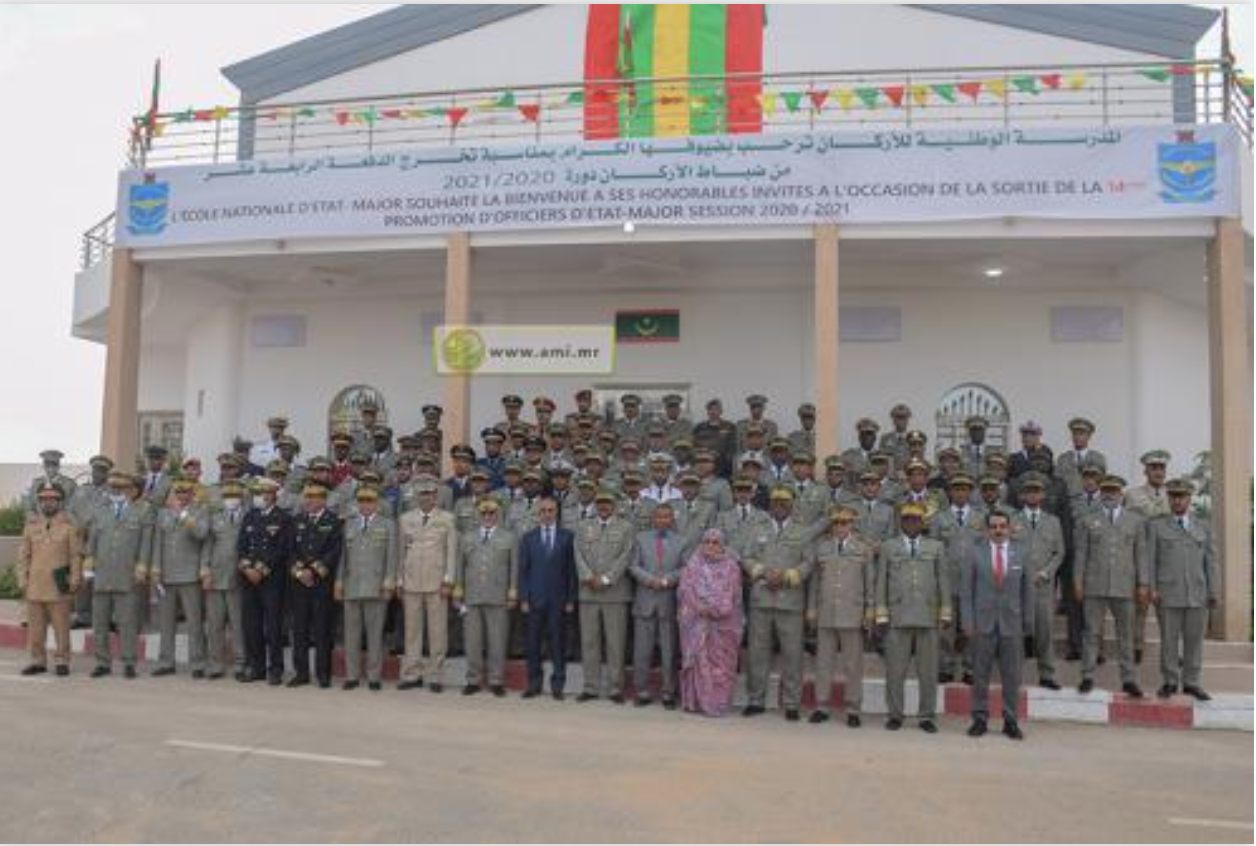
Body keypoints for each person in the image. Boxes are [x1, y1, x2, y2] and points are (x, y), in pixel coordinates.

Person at [1139, 478, 1218, 701]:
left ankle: (1192, 682)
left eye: (1181, 496)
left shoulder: (1203, 526)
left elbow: (1211, 562)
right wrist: (1151, 588)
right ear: (1169, 498)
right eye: (1173, 496)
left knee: (1194, 641)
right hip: (1167, 593)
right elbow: (1149, 559)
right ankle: (1170, 681)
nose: (1177, 500)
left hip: (1197, 593)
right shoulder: (1156, 526)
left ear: (1189, 499)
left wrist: (1213, 591)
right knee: (1169, 640)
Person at [875, 503, 949, 733]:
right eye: (907, 519)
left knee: (928, 671)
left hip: (927, 616)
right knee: (895, 671)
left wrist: (945, 611)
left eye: (916, 519)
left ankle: (927, 715)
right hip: (897, 616)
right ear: (901, 521)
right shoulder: (889, 547)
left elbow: (942, 581)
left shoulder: (936, 546)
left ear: (923, 522)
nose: (911, 523)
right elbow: (881, 582)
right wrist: (881, 613)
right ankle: (895, 714)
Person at [742, 486, 814, 721]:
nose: (780, 507)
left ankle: (792, 703)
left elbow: (809, 562)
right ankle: (756, 700)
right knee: (757, 653)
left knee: (792, 655)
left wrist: (787, 576)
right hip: (761, 599)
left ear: (792, 505)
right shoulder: (756, 529)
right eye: (776, 503)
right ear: (770, 505)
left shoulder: (803, 532)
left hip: (790, 601)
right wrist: (762, 572)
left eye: (784, 503)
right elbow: (746, 557)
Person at [961, 510, 1033, 741]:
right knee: (980, 675)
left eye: (1003, 526)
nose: (999, 530)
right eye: (994, 526)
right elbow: (966, 591)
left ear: (1010, 528)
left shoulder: (1021, 552)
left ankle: (1010, 720)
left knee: (1012, 676)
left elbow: (1028, 592)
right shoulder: (975, 553)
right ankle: (979, 718)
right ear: (986, 530)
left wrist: (1027, 622)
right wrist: (968, 621)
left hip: (1012, 624)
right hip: (982, 623)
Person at [1074, 475, 1146, 698]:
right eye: (1105, 490)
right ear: (1100, 492)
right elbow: (1081, 553)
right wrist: (1077, 581)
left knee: (1125, 634)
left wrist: (1143, 583)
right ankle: (1087, 675)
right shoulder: (1088, 520)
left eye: (1114, 491)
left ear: (1121, 494)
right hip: (1095, 585)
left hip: (1124, 586)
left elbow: (1141, 555)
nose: (1109, 495)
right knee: (1091, 633)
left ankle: (1128, 679)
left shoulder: (1134, 521)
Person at [807, 506, 874, 727]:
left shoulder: (863, 548)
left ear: (852, 524)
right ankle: (821, 706)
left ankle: (853, 708)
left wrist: (869, 610)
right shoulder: (822, 547)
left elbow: (869, 583)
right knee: (823, 662)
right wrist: (811, 609)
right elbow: (815, 581)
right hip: (826, 611)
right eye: (836, 523)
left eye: (844, 523)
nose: (839, 527)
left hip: (852, 612)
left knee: (852, 664)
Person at [86, 471, 152, 679]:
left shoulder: (140, 512)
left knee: (127, 622)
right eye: (113, 488)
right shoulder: (100, 512)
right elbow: (92, 543)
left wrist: (142, 565)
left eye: (121, 489)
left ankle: (129, 662)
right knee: (100, 622)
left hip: (127, 575)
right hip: (102, 575)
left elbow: (146, 543)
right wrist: (88, 564)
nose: (116, 492)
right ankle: (102, 662)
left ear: (130, 491)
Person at [574, 490, 636, 703]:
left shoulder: (626, 527)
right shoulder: (583, 526)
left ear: (615, 505)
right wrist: (589, 576)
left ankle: (615, 688)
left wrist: (607, 579)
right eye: (600, 502)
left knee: (615, 643)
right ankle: (590, 687)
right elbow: (578, 553)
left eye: (608, 503)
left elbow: (626, 555)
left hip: (615, 593)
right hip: (588, 591)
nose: (603, 506)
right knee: (589, 642)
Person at [397, 477, 458, 692]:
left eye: (430, 494)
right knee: (412, 632)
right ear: (416, 496)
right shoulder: (405, 519)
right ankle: (411, 674)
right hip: (412, 581)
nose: (426, 498)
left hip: (436, 582)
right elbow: (401, 552)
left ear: (436, 496)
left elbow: (451, 552)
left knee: (437, 632)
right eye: (422, 494)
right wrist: (399, 580)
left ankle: (435, 677)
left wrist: (449, 580)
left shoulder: (448, 519)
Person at [336, 486, 398, 691]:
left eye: (369, 501)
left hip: (376, 587)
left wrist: (389, 582)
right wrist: (339, 582)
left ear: (377, 504)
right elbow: (343, 558)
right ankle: (352, 675)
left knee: (375, 635)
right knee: (351, 635)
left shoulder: (388, 525)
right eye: (362, 501)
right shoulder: (349, 525)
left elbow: (392, 557)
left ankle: (374, 676)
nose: (365, 505)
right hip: (352, 586)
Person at [17, 484, 83, 676]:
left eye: (52, 499)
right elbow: (23, 556)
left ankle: (62, 661)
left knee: (61, 626)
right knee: (35, 629)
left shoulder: (69, 527)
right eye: (44, 500)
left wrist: (75, 578)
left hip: (59, 584)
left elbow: (75, 556)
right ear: (40, 502)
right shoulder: (31, 527)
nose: (48, 503)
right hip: (35, 585)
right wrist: (22, 579)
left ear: (59, 502)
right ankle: (38, 661)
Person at [455, 498, 518, 697]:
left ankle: (496, 680)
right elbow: (460, 567)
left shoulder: (509, 537)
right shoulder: (467, 537)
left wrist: (512, 591)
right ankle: (473, 679)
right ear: (478, 515)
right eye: (484, 513)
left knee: (497, 640)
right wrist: (458, 591)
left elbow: (514, 568)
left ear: (498, 515)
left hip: (498, 595)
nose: (488, 517)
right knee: (472, 641)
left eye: (492, 513)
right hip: (472, 595)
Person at [678, 529, 744, 716]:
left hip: (723, 625)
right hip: (696, 622)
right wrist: (699, 607)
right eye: (707, 541)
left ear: (722, 545)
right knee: (697, 662)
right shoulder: (692, 564)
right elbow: (685, 590)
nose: (710, 546)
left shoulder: (731, 566)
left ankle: (718, 704)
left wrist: (714, 610)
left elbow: (732, 593)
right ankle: (696, 702)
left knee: (721, 665)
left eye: (715, 542)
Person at [236, 477, 295, 685]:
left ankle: (275, 669)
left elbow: (282, 549)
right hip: (248, 579)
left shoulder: (283, 518)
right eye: (258, 493)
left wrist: (260, 569)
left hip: (271, 580)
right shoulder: (250, 516)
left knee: (273, 626)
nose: (260, 497)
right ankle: (256, 667)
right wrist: (246, 567)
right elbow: (241, 545)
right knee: (251, 625)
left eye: (265, 493)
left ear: (274, 494)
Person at [1010, 473, 1066, 689]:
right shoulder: (1012, 520)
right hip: (1018, 585)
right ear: (1023, 495)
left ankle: (1047, 674)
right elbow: (1008, 549)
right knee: (1016, 634)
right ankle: (1014, 673)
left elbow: (1059, 552)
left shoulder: (1053, 521)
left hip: (1043, 585)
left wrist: (1045, 573)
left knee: (1045, 632)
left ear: (1042, 495)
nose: (1033, 495)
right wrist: (1018, 573)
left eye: (1037, 491)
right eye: (1029, 491)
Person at [518, 498, 577, 700]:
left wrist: (570, 599)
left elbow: (571, 571)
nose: (547, 514)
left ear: (556, 513)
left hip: (558, 600)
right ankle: (533, 684)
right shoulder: (528, 538)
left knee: (557, 644)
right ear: (538, 513)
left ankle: (557, 684)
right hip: (534, 600)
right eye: (543, 510)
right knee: (533, 644)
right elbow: (523, 571)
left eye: (551, 510)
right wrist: (524, 598)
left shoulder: (567, 537)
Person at [150, 480, 210, 678]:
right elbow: (158, 542)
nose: (182, 495)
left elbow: (202, 534)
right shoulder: (163, 513)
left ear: (191, 494)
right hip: (166, 574)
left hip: (189, 574)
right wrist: (156, 568)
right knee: (165, 622)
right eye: (178, 492)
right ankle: (166, 661)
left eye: (186, 492)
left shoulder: (199, 511)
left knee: (194, 622)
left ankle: (198, 663)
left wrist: (184, 515)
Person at [630, 503, 685, 708]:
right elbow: (633, 565)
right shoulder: (640, 539)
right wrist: (649, 579)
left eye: (666, 517)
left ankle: (668, 693)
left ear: (672, 519)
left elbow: (686, 568)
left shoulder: (682, 541)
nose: (663, 520)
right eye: (659, 517)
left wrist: (665, 581)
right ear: (653, 519)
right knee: (641, 651)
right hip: (644, 600)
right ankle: (641, 691)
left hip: (668, 602)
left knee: (669, 652)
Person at [288, 483, 343, 688]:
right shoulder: (298, 520)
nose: (309, 501)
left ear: (323, 499)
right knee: (300, 629)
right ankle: (301, 672)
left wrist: (314, 571)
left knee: (322, 629)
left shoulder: (334, 521)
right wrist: (300, 572)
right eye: (307, 497)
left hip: (321, 583)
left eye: (314, 497)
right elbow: (291, 549)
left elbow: (335, 550)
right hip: (300, 582)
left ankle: (323, 673)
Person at [1125, 450, 1172, 665]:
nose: (1158, 472)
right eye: (1154, 468)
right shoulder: (1133, 495)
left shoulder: (1174, 493)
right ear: (1146, 470)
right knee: (1140, 606)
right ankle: (1137, 648)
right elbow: (1127, 524)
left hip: (1165, 558)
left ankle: (1171, 651)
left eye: (1161, 468)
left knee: (1169, 609)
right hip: (1140, 555)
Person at [202, 480, 247, 680]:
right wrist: (205, 570)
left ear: (241, 499)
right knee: (215, 624)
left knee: (238, 624)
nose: (231, 500)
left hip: (238, 577)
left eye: (235, 497)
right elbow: (208, 545)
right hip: (216, 576)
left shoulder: (248, 517)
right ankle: (215, 664)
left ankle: (240, 663)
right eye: (228, 497)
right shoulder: (215, 517)